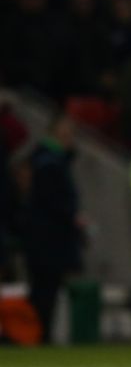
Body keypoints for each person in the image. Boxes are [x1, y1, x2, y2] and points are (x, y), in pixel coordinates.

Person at [20, 115, 85, 343]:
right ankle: (37, 336)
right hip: (47, 240)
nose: (71, 141)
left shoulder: (46, 159)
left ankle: (36, 335)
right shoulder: (49, 162)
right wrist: (72, 216)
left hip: (43, 238)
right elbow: (51, 201)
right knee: (44, 291)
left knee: (44, 290)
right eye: (67, 135)